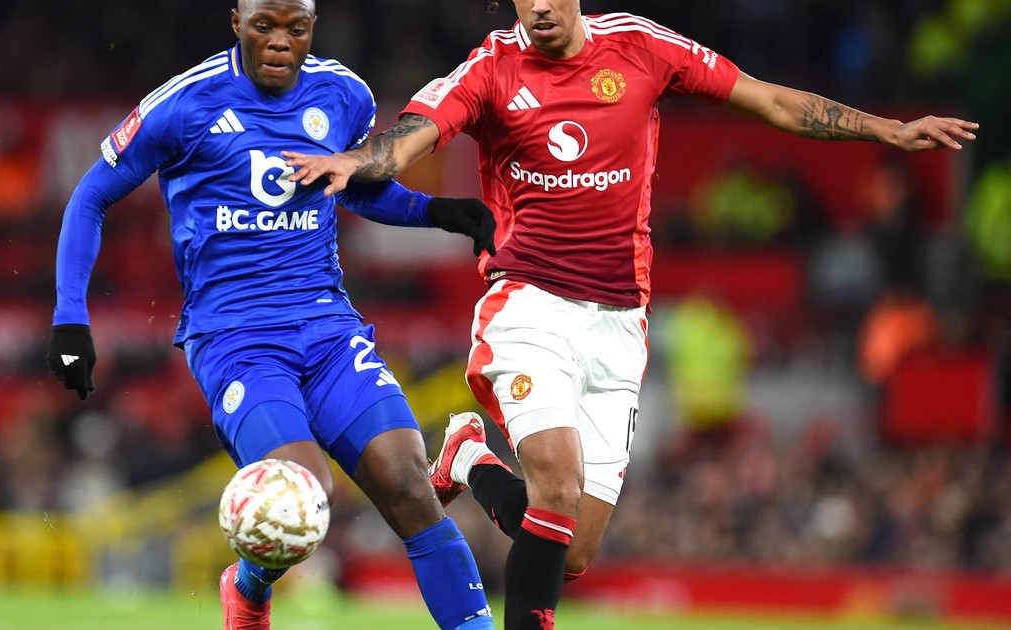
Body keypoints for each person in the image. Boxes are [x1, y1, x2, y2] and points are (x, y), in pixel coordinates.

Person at [283, 1, 979, 628]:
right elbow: (413, 135)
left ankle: (469, 459)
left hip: (619, 323)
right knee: (557, 488)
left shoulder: (641, 47)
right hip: (529, 308)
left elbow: (768, 100)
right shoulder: (491, 69)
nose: (540, 7)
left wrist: (888, 131)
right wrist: (358, 162)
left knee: (572, 551)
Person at [44, 1, 497, 629]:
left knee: (409, 485)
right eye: (265, 27)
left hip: (328, 329)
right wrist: (70, 315)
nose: (281, 42)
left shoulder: (344, 94)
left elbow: (351, 184)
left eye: (296, 29)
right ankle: (249, 585)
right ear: (237, 21)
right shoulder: (185, 103)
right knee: (306, 494)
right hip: (236, 340)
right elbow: (92, 195)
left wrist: (434, 212)